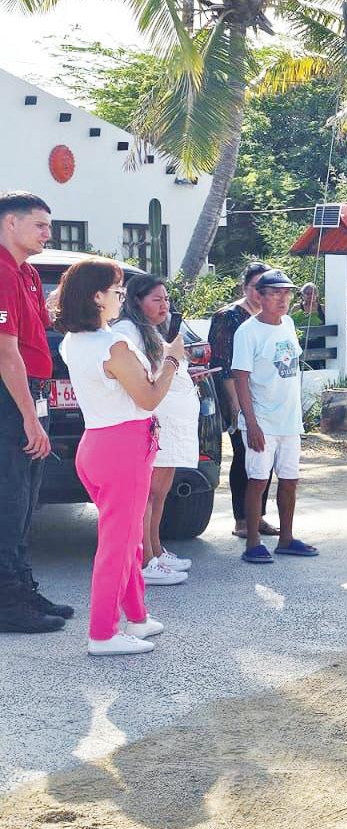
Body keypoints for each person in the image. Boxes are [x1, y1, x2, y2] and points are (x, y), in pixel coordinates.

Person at [57, 258, 187, 655]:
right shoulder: (112, 345)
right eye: (116, 291)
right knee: (118, 544)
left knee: (127, 539)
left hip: (99, 444)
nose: (121, 297)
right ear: (97, 297)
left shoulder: (73, 340)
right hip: (123, 449)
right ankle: (102, 633)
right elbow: (148, 397)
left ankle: (137, 616)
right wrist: (172, 360)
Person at [0, 191, 70, 633]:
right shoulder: (2, 273)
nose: (48, 233)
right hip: (11, 398)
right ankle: (7, 603)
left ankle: (22, 588)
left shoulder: (25, 272)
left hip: (31, 394)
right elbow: (6, 353)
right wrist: (28, 416)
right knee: (9, 501)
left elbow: (44, 328)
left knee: (26, 500)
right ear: (10, 223)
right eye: (40, 225)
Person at [113, 275, 200, 585]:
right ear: (137, 301)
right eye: (157, 300)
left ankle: (156, 549)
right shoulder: (127, 332)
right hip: (156, 421)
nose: (165, 306)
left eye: (166, 299)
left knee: (160, 491)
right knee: (148, 493)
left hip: (174, 424)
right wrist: (173, 359)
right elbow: (146, 375)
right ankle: (146, 558)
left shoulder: (150, 330)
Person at [232, 269, 316, 564]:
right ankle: (253, 542)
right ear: (260, 296)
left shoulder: (289, 323)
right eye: (275, 293)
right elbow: (240, 379)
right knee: (258, 481)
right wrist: (251, 423)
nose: (283, 299)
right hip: (262, 421)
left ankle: (287, 538)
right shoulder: (247, 332)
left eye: (286, 293)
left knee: (290, 480)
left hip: (289, 421)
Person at [210, 262, 277, 540]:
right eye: (256, 287)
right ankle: (241, 519)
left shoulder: (272, 317)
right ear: (244, 287)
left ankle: (257, 516)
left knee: (265, 457)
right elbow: (223, 366)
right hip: (237, 398)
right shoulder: (229, 317)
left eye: (267, 288)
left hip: (266, 400)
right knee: (243, 457)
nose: (262, 294)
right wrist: (236, 407)